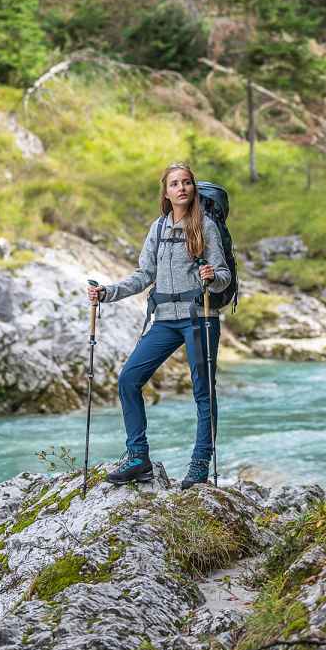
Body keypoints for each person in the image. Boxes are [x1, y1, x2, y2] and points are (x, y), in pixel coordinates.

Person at [87, 162, 231, 490]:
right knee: (128, 379)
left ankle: (199, 464)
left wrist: (213, 276)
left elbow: (224, 278)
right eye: (175, 184)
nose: (182, 188)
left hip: (200, 316)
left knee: (203, 391)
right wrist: (107, 293)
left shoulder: (205, 226)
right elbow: (144, 275)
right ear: (165, 192)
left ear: (193, 189)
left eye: (187, 183)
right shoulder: (158, 228)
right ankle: (139, 458)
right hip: (164, 319)